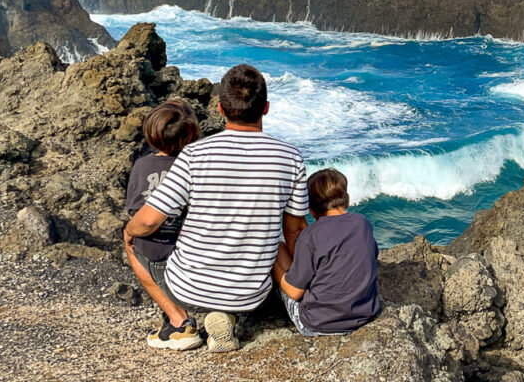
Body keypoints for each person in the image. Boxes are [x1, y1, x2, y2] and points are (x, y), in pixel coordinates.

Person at [125, 64, 309, 352]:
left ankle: (178, 322)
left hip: (187, 289)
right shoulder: (291, 158)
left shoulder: (195, 154)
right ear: (266, 108)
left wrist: (129, 232)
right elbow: (295, 230)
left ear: (221, 109)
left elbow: (148, 222)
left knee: (135, 241)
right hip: (251, 295)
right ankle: (227, 313)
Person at [123, 98, 202, 350]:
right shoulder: (199, 165)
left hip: (158, 252)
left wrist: (129, 233)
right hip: (195, 251)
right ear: (192, 134)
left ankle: (178, 321)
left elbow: (135, 212)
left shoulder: (143, 166)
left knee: (131, 245)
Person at [273, 168, 382, 336]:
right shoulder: (363, 223)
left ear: (310, 209)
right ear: (346, 199)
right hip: (365, 314)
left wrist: (279, 274)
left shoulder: (310, 236)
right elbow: (373, 255)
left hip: (317, 324)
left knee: (278, 248)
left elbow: (295, 293)